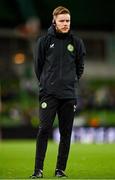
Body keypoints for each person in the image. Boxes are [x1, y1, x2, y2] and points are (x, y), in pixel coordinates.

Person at [31, 6, 86, 178]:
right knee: (44, 129)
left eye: (67, 21)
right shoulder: (44, 41)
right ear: (54, 21)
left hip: (69, 96)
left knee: (66, 133)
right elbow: (38, 67)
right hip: (49, 94)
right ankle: (38, 170)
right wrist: (48, 84)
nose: (65, 24)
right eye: (62, 21)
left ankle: (60, 170)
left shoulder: (76, 42)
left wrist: (70, 82)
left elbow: (80, 67)